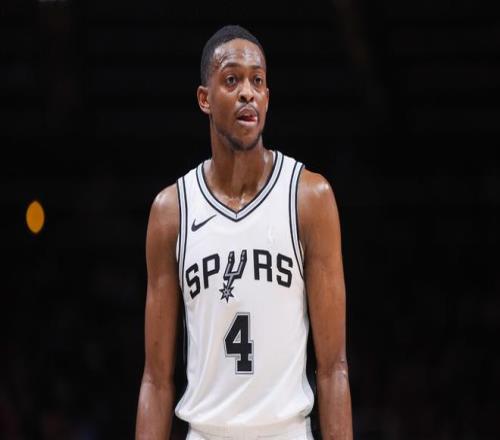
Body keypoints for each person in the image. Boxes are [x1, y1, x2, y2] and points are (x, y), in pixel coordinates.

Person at [135, 25, 352, 440]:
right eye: (232, 80)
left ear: (267, 97)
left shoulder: (309, 198)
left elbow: (333, 367)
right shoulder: (171, 212)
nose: (247, 93)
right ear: (205, 98)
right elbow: (156, 380)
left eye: (257, 81)